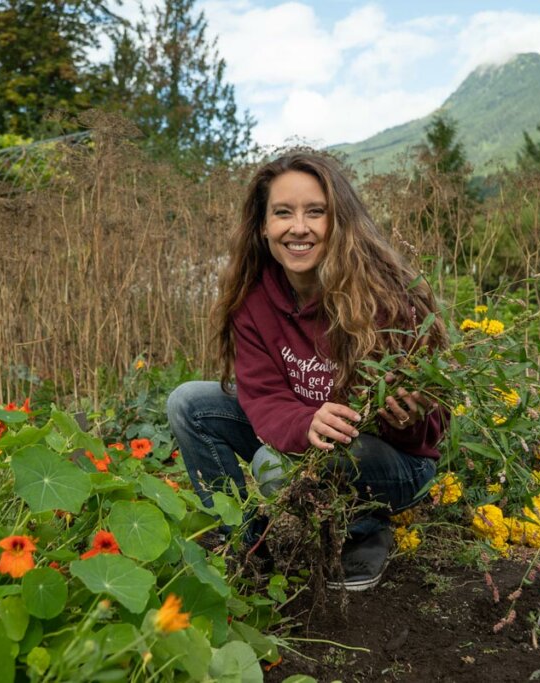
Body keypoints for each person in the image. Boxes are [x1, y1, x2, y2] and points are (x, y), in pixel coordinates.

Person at [167, 151, 449, 592]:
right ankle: (242, 543)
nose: (299, 228)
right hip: (307, 438)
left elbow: (434, 427)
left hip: (391, 462)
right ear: (263, 226)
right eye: (283, 213)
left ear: (339, 221)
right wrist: (306, 421)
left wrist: (411, 415)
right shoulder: (253, 299)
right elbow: (262, 397)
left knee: (272, 467)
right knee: (188, 403)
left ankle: (367, 529)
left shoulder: (386, 297)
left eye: (316, 212)